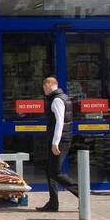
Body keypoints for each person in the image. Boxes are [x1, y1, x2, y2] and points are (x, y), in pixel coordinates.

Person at [37, 76, 79, 212]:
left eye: (44, 87)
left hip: (60, 140)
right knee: (50, 171)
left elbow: (60, 122)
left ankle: (82, 193)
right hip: (60, 139)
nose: (43, 90)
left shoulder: (56, 100)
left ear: (48, 85)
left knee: (55, 172)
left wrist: (55, 143)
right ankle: (53, 203)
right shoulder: (63, 97)